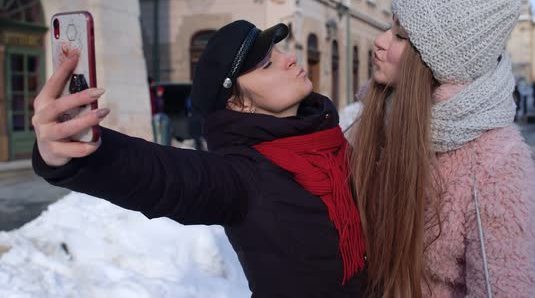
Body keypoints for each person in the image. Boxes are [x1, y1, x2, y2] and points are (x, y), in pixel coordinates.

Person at [31, 20, 366, 297]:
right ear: (239, 104)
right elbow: (162, 175)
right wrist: (81, 152)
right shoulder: (242, 177)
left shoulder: (333, 143)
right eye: (267, 64)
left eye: (278, 51)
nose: (289, 59)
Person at [349, 0, 535, 298]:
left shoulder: (495, 159)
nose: (379, 41)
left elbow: (504, 286)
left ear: (435, 62)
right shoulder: (369, 120)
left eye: (401, 36)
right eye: (390, 28)